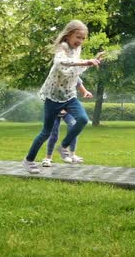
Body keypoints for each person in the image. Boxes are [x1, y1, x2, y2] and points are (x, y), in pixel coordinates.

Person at [22, 20, 102, 174]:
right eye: (78, 37)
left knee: (83, 119)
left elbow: (75, 71)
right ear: (68, 34)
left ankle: (63, 146)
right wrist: (85, 61)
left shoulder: (77, 50)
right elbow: (60, 63)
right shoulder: (63, 47)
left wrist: (90, 63)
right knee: (46, 132)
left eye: (83, 38)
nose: (80, 41)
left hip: (69, 95)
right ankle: (28, 160)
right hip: (53, 98)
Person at [41, 78, 93, 167]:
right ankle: (48, 158)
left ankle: (72, 155)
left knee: (73, 125)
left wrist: (85, 92)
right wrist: (59, 108)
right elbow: (47, 95)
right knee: (54, 134)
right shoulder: (55, 76)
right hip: (54, 109)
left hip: (67, 109)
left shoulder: (73, 74)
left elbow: (79, 84)